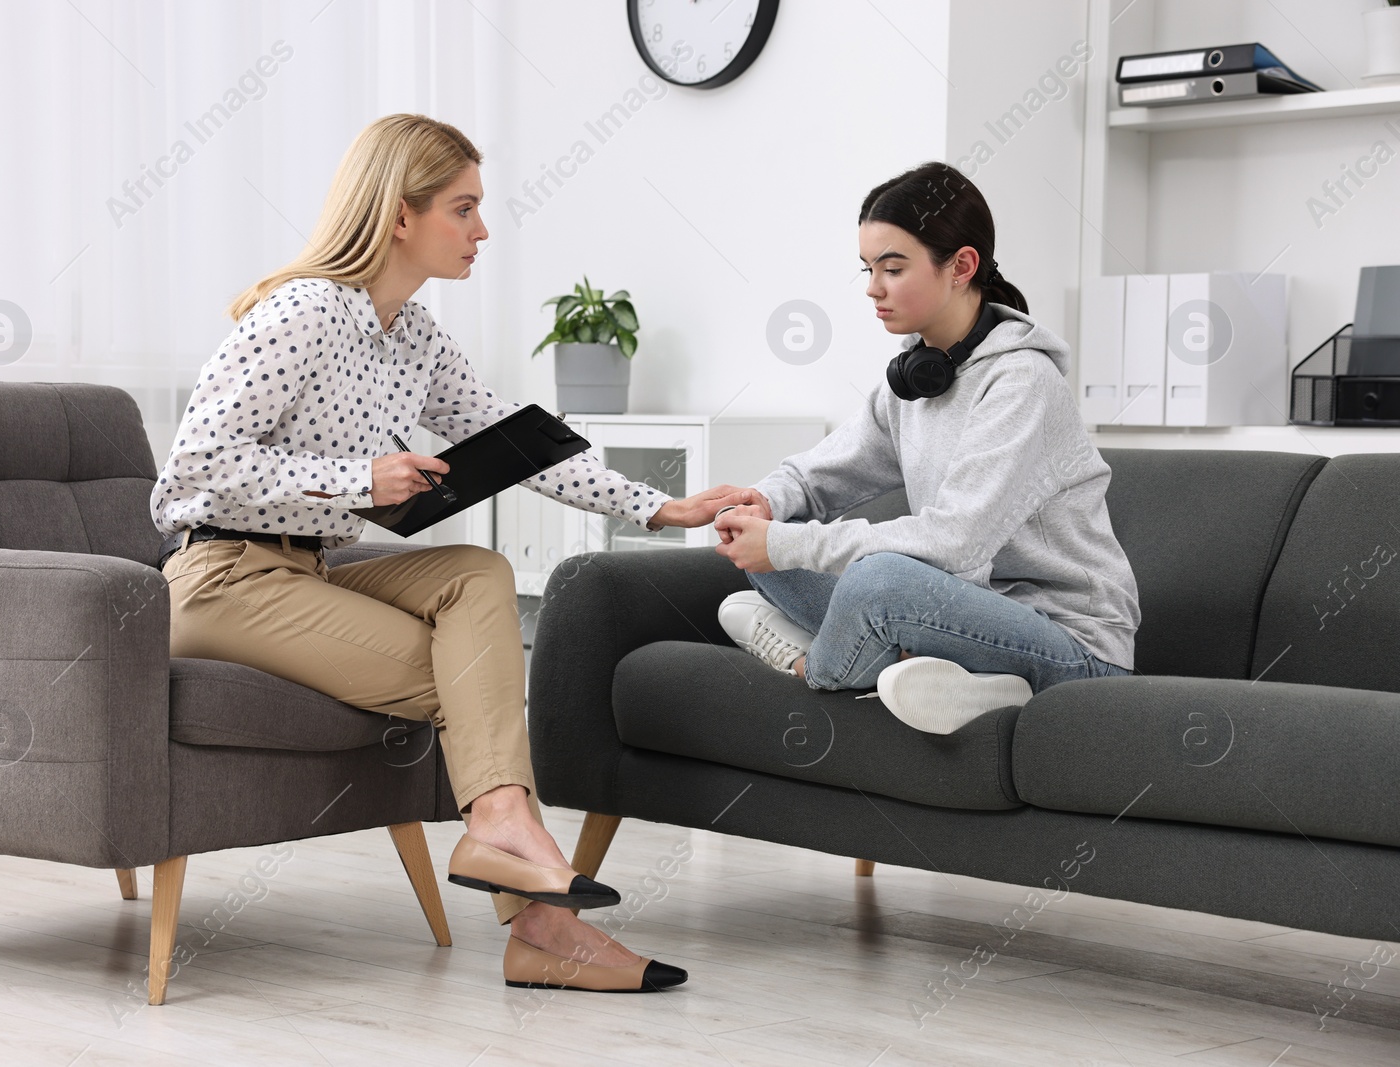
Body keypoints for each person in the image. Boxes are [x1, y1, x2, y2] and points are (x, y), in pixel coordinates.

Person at [151, 113, 754, 992]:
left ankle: (512, 852)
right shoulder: (304, 312)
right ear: (401, 215)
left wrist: (664, 507)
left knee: (478, 573)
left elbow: (524, 446)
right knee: (475, 683)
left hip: (306, 568)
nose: (481, 231)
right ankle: (541, 923)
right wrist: (358, 480)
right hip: (221, 579)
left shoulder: (414, 336)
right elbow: (188, 476)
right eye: (463, 209)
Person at [714, 160, 1140, 735]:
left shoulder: (1023, 382)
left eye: (892, 268)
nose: (872, 288)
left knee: (876, 580)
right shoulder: (916, 377)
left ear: (961, 266)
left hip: (1075, 649)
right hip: (967, 615)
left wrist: (789, 542)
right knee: (761, 539)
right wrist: (760, 504)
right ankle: (958, 681)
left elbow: (955, 542)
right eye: (868, 268)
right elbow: (818, 477)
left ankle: (811, 665)